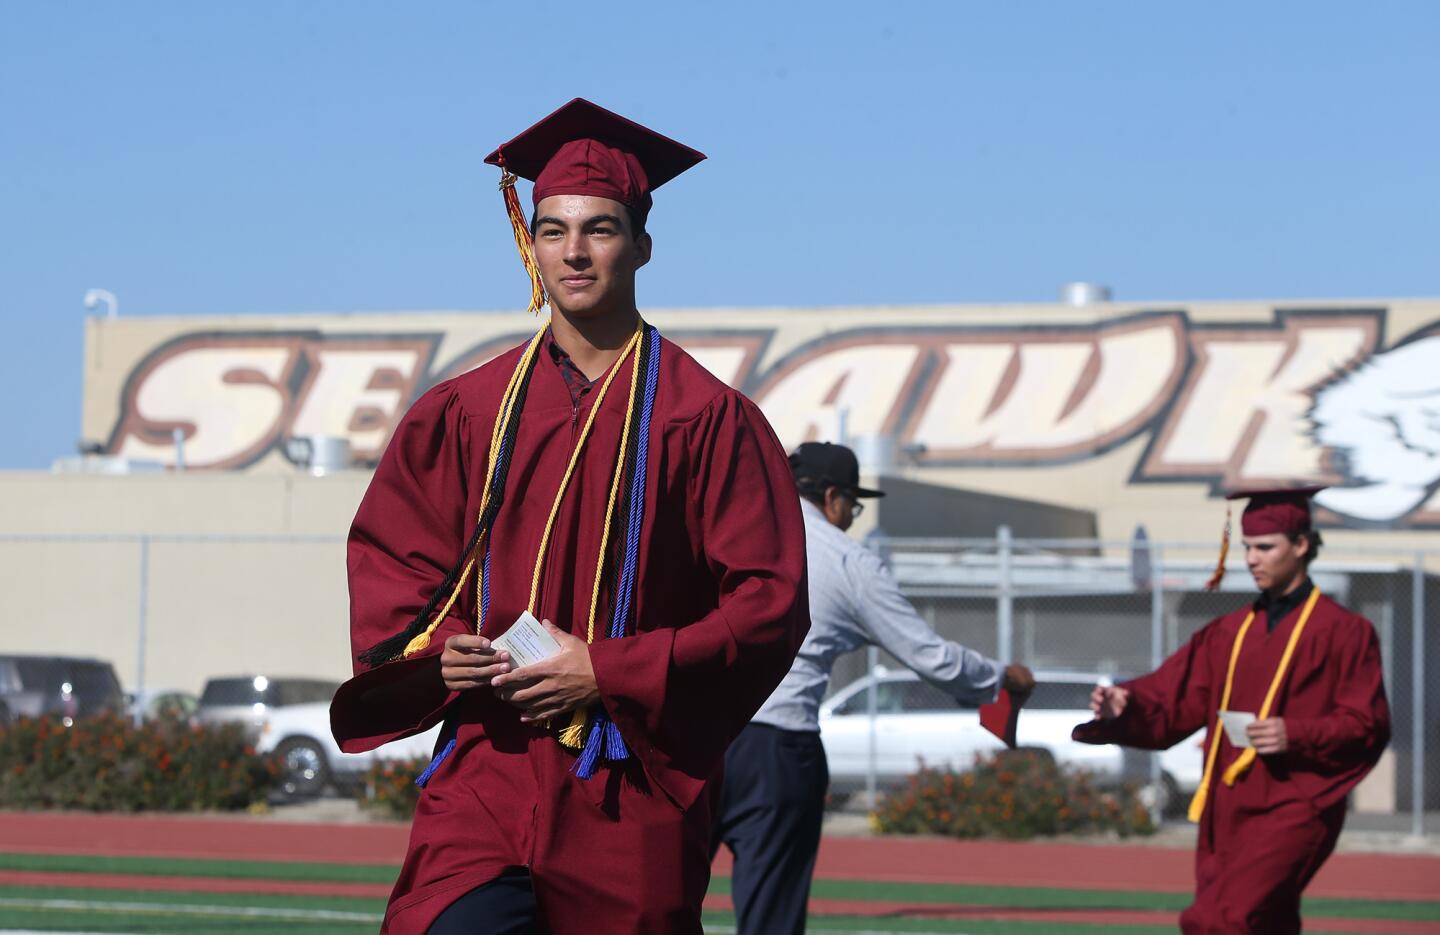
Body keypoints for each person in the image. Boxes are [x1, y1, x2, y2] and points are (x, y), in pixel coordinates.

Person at [329, 98, 810, 935]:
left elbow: (767, 605)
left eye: (600, 228)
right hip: (490, 765)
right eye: (552, 230)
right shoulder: (466, 411)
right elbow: (394, 559)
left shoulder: (706, 417)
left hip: (627, 775)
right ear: (530, 243)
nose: (574, 252)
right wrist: (443, 655)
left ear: (643, 245)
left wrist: (610, 670)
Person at [711, 441, 1036, 935]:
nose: (851, 518)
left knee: (661, 902)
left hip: (695, 734)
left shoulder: (725, 526)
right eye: (853, 507)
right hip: (777, 745)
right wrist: (999, 676)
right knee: (769, 919)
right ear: (834, 497)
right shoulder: (848, 561)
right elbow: (931, 658)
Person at [1073, 486, 1390, 935]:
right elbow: (1173, 698)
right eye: (1246, 548)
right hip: (1228, 803)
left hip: (1295, 803)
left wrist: (1294, 733)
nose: (1252, 559)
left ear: (1301, 545)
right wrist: (1126, 705)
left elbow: (1366, 723)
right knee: (1264, 923)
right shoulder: (1227, 633)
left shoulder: (1344, 632)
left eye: (1266, 547)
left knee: (1228, 919)